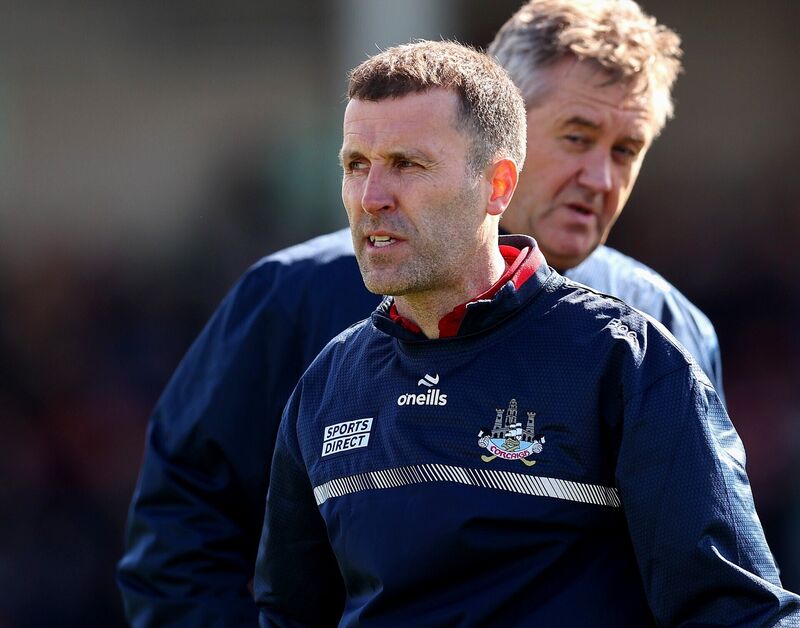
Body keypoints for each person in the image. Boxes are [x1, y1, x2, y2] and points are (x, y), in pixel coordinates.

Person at [119, 2, 728, 625]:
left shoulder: (663, 330)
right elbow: (182, 533)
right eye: (576, 136)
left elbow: (718, 585)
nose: (599, 176)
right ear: (501, 126)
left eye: (627, 149)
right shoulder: (295, 299)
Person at [253, 39, 798, 626]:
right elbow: (288, 615)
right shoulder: (329, 381)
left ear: (498, 186)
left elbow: (737, 613)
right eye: (356, 165)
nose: (371, 198)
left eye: (407, 164)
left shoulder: (624, 361)